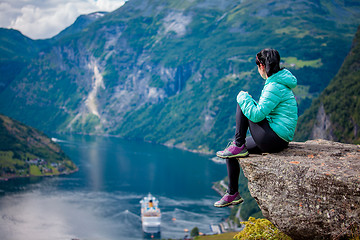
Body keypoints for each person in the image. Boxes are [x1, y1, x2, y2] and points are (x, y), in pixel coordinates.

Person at [214, 49, 298, 208]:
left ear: (262, 65)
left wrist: (242, 97)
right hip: (278, 138)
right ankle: (233, 193)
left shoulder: (274, 85)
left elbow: (257, 115)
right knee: (230, 152)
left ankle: (239, 145)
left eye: (257, 64)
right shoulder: (279, 82)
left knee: (243, 101)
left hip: (274, 138)